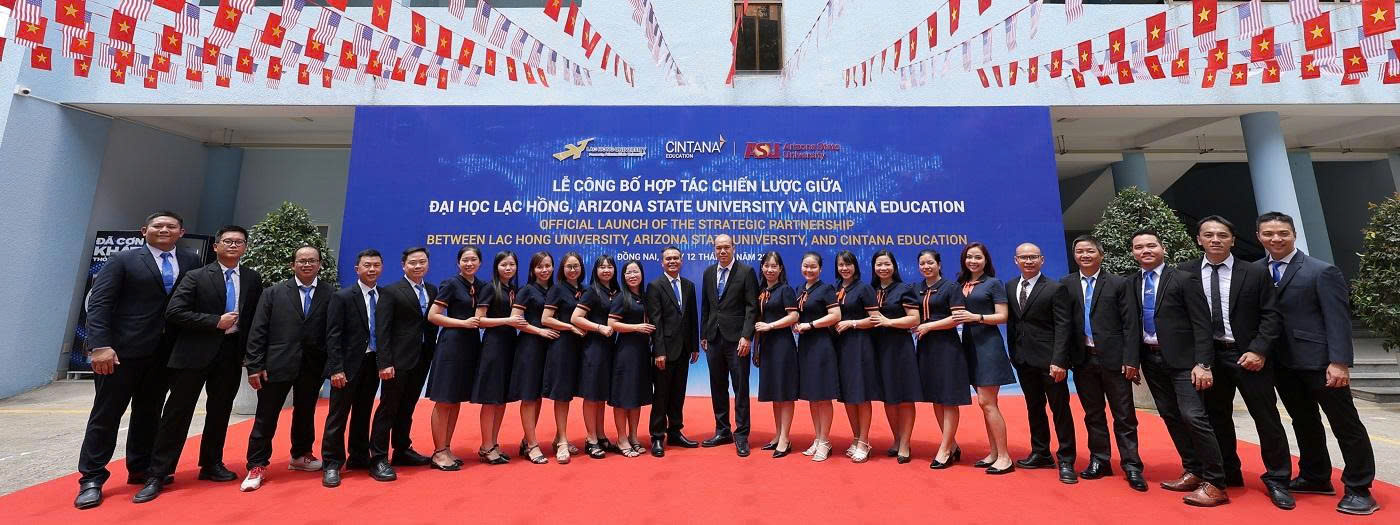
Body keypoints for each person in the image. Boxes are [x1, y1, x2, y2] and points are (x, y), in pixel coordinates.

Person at [76, 211, 202, 510]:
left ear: (181, 232)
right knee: (107, 415)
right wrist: (100, 346)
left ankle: (140, 467)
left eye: (171, 226)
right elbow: (100, 303)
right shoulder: (123, 260)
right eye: (158, 225)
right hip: (120, 352)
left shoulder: (191, 261)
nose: (164, 230)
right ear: (144, 231)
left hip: (163, 353)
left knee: (149, 413)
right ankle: (92, 478)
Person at [1257, 212, 1379, 515]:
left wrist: (1339, 362)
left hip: (1320, 363)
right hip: (1281, 364)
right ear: (1258, 236)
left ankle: (1359, 488)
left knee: (1345, 424)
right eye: (1268, 233)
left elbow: (1338, 320)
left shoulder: (1321, 271)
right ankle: (1315, 475)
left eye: (1283, 233)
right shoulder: (1255, 270)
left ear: (1294, 234)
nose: (1276, 238)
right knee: (1303, 421)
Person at [136, 225, 264, 503]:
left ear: (245, 247)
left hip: (230, 354)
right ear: (216, 246)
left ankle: (211, 463)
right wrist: (214, 322)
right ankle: (159, 472)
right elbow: (174, 312)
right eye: (228, 241)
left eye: (239, 242)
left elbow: (255, 318)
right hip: (194, 353)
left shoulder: (252, 279)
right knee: (177, 413)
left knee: (220, 411)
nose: (233, 246)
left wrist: (251, 355)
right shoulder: (196, 276)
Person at [1181, 216, 1294, 510]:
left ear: (1233, 240)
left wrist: (1259, 350)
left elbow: (1271, 315)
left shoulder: (1255, 272)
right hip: (1209, 358)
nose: (1215, 240)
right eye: (1209, 235)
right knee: (1216, 418)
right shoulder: (1186, 272)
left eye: (1222, 235)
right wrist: (1198, 360)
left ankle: (1278, 480)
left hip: (1248, 357)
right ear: (1199, 239)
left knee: (1266, 418)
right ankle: (1228, 473)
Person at [1129, 229, 1228, 507]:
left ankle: (1216, 482)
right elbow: (1131, 325)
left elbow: (1202, 323)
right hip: (1151, 360)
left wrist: (1203, 363)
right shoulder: (1132, 283)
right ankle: (1193, 470)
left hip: (1186, 363)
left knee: (1194, 416)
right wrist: (1132, 360)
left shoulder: (1184, 279)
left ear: (1162, 248)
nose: (1145, 251)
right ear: (1133, 253)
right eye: (1139, 247)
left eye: (1151, 245)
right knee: (1170, 416)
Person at [1059, 235, 1146, 492]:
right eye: (1079, 251)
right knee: (1093, 414)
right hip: (1083, 359)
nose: (1084, 255)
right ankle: (1100, 460)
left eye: (1090, 251)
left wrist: (1131, 359)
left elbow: (1131, 324)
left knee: (1124, 415)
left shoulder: (1119, 283)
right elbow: (1063, 324)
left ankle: (1132, 465)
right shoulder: (1066, 284)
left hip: (1115, 360)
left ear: (1101, 254)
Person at [241, 246, 333, 486]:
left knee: (306, 412)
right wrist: (254, 365)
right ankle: (257, 465)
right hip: (276, 364)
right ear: (292, 264)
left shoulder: (330, 293)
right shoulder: (273, 293)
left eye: (312, 260)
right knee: (266, 416)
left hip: (312, 366)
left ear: (320, 264)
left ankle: (301, 455)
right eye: (301, 261)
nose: (307, 264)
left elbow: (333, 332)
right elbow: (258, 330)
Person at [321, 249, 393, 488]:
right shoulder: (342, 296)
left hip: (373, 364)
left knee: (363, 412)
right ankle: (332, 463)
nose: (372, 269)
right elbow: (332, 335)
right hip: (346, 366)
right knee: (338, 415)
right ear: (357, 269)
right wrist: (336, 368)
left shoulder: (385, 296)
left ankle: (359, 456)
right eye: (367, 265)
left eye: (376, 265)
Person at [1004, 243, 1075, 484]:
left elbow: (1063, 326)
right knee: (1034, 408)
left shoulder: (1055, 288)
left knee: (1060, 410)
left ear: (1042, 260)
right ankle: (1041, 452)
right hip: (1024, 360)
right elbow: (1013, 324)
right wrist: (1014, 353)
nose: (1028, 261)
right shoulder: (1010, 286)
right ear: (1016, 261)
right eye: (1023, 257)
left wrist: (1059, 360)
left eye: (1033, 257)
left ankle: (1066, 459)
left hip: (1050, 362)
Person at [369, 247, 437, 473]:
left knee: (408, 406)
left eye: (422, 262)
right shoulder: (391, 291)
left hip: (421, 358)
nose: (418, 266)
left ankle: (401, 450)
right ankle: (378, 457)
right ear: (403, 265)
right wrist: (384, 362)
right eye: (413, 262)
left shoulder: (431, 289)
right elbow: (382, 330)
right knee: (388, 407)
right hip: (397, 361)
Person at [953, 242, 1015, 475]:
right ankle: (994, 453)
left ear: (986, 260)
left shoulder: (993, 283)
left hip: (988, 346)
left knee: (987, 402)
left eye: (978, 257)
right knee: (985, 404)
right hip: (968, 345)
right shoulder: (961, 284)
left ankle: (1005, 457)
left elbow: (1003, 316)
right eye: (969, 257)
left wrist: (976, 317)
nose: (973, 261)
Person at [424, 246, 485, 471]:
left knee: (456, 398)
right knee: (444, 399)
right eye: (465, 260)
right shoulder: (450, 284)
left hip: (470, 347)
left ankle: (447, 447)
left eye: (473, 260)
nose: (469, 264)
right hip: (451, 346)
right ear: (458, 263)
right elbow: (433, 316)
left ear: (480, 263)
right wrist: (463, 323)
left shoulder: (480, 286)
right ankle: (438, 452)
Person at [699, 234, 760, 456]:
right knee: (717, 386)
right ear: (714, 250)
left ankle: (741, 435)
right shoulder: (708, 273)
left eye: (726, 247)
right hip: (714, 338)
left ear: (734, 248)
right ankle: (722, 430)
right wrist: (704, 333)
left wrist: (747, 336)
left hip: (737, 340)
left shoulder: (746, 272)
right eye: (719, 248)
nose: (722, 251)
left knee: (740, 387)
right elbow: (706, 306)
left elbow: (752, 307)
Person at [913, 249, 970, 470]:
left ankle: (944, 449)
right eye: (922, 263)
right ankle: (952, 444)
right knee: (936, 397)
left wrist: (929, 326)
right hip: (926, 348)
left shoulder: (951, 287)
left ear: (939, 264)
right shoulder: (917, 288)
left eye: (930, 262)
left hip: (947, 347)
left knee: (948, 399)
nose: (926, 267)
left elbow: (957, 318)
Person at [643, 246, 700, 457]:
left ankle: (675, 432)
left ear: (681, 261)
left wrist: (694, 346)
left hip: (684, 349)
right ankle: (657, 436)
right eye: (668, 259)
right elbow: (655, 320)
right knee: (661, 395)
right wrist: (659, 351)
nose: (672, 261)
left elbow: (692, 317)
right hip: (664, 351)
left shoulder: (689, 286)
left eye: (676, 258)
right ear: (662, 262)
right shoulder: (654, 286)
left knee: (678, 394)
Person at [868, 250, 922, 464]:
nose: (883, 268)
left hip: (900, 348)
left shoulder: (904, 289)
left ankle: (906, 443)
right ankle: (897, 439)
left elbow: (914, 319)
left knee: (905, 397)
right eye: (879, 264)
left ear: (894, 266)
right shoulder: (870, 290)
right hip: (878, 348)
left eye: (887, 264)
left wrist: (889, 322)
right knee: (889, 397)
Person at [472, 251, 524, 465]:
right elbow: (479, 320)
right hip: (493, 347)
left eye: (512, 264)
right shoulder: (489, 288)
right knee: (490, 399)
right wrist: (507, 321)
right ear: (496, 267)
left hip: (510, 345)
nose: (508, 268)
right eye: (504, 264)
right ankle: (486, 445)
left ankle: (493, 443)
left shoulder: (513, 290)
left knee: (501, 399)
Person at [508, 252, 559, 464]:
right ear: (532, 270)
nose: (544, 270)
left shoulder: (555, 289)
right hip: (530, 348)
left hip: (550, 348)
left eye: (547, 266)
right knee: (529, 396)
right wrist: (539, 331)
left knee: (538, 396)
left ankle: (526, 439)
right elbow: (515, 319)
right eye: (539, 267)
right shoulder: (527, 290)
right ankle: (532, 444)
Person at [831, 250, 879, 462]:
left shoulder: (864, 288)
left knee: (861, 394)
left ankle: (864, 441)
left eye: (848, 264)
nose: (844, 268)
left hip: (860, 346)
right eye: (841, 265)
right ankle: (856, 437)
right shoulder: (835, 289)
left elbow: (875, 319)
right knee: (848, 395)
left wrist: (852, 323)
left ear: (855, 266)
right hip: (841, 346)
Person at [793, 252, 841, 462]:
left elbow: (835, 316)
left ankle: (825, 441)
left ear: (820, 269)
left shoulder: (826, 289)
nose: (809, 270)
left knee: (823, 395)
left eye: (813, 267)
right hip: (805, 346)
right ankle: (818, 437)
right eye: (806, 266)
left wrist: (811, 325)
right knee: (812, 395)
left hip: (822, 344)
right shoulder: (799, 290)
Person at [572, 255, 621, 458]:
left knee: (601, 394)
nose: (606, 270)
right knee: (592, 395)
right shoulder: (591, 291)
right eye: (602, 267)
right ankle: (591, 439)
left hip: (610, 348)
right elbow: (576, 318)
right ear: (596, 270)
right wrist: (599, 328)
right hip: (593, 348)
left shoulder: (616, 292)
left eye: (610, 267)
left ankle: (601, 435)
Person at [752, 251, 799, 458]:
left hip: (782, 346)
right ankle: (778, 434)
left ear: (780, 269)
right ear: (762, 268)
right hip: (767, 346)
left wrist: (770, 326)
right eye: (766, 266)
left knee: (784, 393)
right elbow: (758, 321)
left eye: (774, 266)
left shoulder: (785, 290)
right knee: (774, 393)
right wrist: (756, 348)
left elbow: (794, 316)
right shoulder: (762, 291)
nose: (770, 270)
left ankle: (785, 438)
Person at [541, 252, 586, 463]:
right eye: (569, 266)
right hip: (562, 347)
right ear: (562, 269)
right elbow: (546, 319)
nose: (573, 270)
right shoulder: (557, 289)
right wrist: (570, 327)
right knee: (562, 395)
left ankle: (558, 438)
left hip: (581, 347)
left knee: (572, 392)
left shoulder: (585, 290)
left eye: (576, 266)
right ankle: (562, 442)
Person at [608, 260, 655, 458]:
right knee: (622, 397)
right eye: (629, 272)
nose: (633, 275)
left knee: (636, 396)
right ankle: (621, 438)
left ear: (642, 274)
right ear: (623, 276)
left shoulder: (644, 297)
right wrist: (637, 327)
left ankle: (634, 437)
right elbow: (612, 324)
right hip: (626, 353)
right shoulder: (621, 297)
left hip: (642, 352)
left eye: (636, 271)